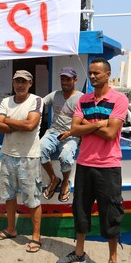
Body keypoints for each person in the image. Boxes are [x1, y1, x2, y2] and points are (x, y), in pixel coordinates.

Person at [56, 57, 128, 263]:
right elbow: (74, 129)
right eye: (91, 73)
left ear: (108, 75)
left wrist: (88, 126)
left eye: (97, 73)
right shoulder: (84, 99)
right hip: (85, 164)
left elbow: (110, 134)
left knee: (111, 213)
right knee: (81, 209)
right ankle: (79, 253)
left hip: (108, 165)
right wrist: (98, 123)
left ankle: (113, 262)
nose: (93, 76)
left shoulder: (119, 99)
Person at [0, 70, 44, 253]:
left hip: (29, 156)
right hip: (8, 154)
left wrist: (9, 122)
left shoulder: (37, 100)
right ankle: (11, 229)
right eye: (16, 81)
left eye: (23, 81)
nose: (19, 85)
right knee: (9, 195)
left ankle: (36, 237)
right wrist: (18, 124)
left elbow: (31, 126)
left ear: (30, 83)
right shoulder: (6, 101)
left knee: (32, 198)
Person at [40, 67, 83, 203]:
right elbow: (39, 103)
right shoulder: (55, 95)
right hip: (53, 132)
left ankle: (65, 182)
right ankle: (54, 178)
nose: (65, 82)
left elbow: (86, 120)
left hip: (71, 135)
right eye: (62, 79)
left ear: (75, 80)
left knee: (65, 157)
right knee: (39, 149)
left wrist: (72, 133)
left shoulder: (81, 98)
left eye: (68, 79)